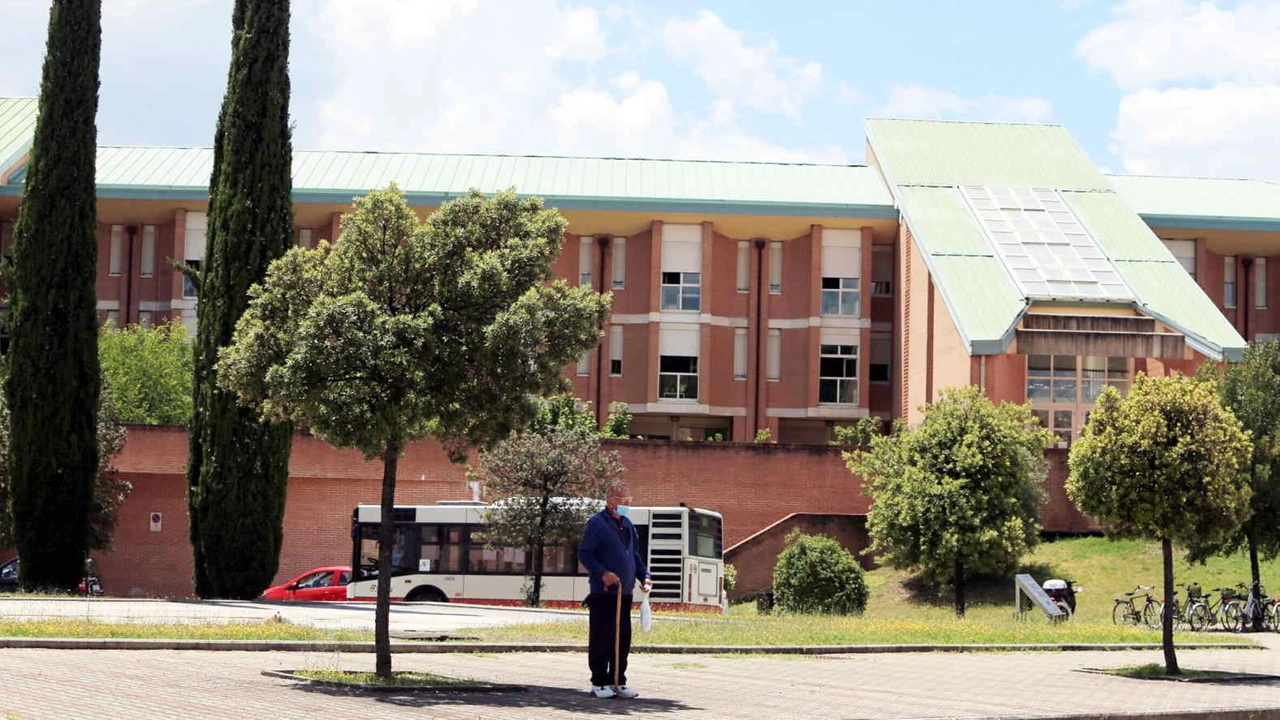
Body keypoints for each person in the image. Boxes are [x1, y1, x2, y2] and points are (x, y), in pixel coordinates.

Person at [577, 483, 652, 699]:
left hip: (625, 592)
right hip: (604, 592)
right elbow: (585, 554)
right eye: (622, 501)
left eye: (629, 501)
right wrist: (603, 573)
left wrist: (644, 576)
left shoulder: (628, 525)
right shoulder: (597, 524)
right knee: (602, 637)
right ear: (610, 500)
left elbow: (634, 556)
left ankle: (618, 680)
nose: (626, 505)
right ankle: (599, 682)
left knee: (622, 638)